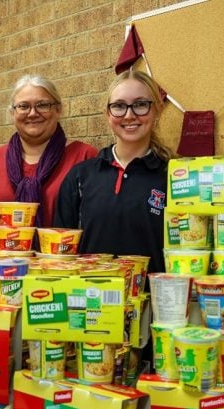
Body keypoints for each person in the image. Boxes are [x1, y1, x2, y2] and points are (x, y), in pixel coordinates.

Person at [53, 70, 172, 274]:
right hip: (89, 300)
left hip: (152, 303)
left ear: (157, 110)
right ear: (107, 114)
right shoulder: (81, 177)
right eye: (118, 106)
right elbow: (61, 253)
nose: (129, 115)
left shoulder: (174, 176)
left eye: (141, 104)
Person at [0, 75, 97, 245]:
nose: (33, 113)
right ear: (12, 113)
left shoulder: (85, 157)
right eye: (23, 106)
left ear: (58, 110)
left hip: (61, 268)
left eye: (42, 105)